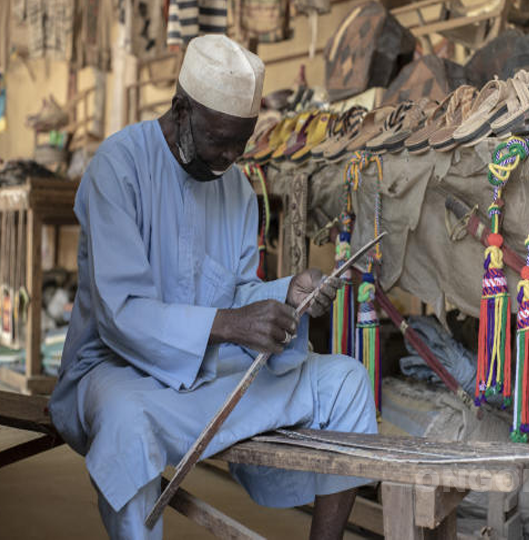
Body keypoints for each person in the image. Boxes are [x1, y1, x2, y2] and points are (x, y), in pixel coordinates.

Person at [48, 35, 378, 540]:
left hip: (210, 373)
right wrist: (231, 324)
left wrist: (288, 293)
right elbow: (122, 313)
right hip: (121, 371)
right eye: (218, 141)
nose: (227, 158)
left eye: (240, 144)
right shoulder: (117, 169)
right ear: (181, 109)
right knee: (125, 423)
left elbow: (236, 294)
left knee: (346, 382)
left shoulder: (237, 189)